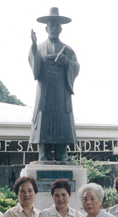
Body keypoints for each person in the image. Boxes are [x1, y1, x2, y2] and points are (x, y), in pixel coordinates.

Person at [29, 7, 79, 162]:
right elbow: (36, 72)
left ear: (61, 29)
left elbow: (76, 67)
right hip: (45, 91)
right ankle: (43, 154)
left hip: (61, 91)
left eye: (56, 26)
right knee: (44, 119)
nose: (54, 29)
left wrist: (66, 63)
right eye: (51, 26)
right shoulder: (39, 48)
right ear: (46, 28)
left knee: (62, 119)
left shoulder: (68, 50)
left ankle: (61, 154)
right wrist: (33, 47)